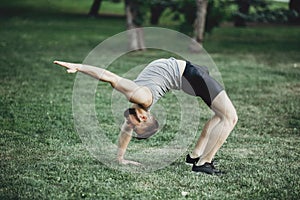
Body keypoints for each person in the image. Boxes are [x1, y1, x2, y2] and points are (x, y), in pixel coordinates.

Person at [54, 57, 238, 175]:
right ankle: (198, 158)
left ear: (143, 118)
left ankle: (201, 160)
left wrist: (78, 67)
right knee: (226, 116)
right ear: (144, 118)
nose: (129, 125)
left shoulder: (140, 96)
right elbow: (125, 133)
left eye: (132, 127)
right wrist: (121, 159)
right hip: (186, 76)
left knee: (228, 117)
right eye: (134, 128)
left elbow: (111, 77)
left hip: (189, 74)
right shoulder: (137, 106)